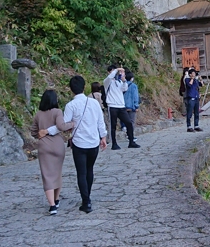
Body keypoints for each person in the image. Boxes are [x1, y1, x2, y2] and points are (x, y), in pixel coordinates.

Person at [63, 75, 107, 213]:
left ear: (71, 89)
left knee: (81, 173)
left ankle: (86, 201)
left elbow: (65, 125)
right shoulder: (94, 103)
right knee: (90, 170)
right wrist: (103, 137)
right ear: (84, 87)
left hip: (79, 143)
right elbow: (100, 121)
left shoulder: (70, 105)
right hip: (94, 141)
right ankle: (88, 196)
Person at [30, 89, 75, 215]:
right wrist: (72, 123)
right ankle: (56, 198)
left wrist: (39, 134)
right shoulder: (57, 111)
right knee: (57, 173)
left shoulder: (38, 114)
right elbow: (61, 126)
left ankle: (52, 205)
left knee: (47, 175)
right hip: (58, 145)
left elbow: (33, 131)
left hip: (44, 146)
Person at [103, 65, 139, 149]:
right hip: (112, 106)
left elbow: (124, 88)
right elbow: (110, 76)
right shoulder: (107, 81)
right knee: (113, 125)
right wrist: (117, 69)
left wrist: (123, 79)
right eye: (112, 71)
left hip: (121, 106)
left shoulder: (119, 82)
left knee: (129, 123)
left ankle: (131, 141)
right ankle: (114, 143)